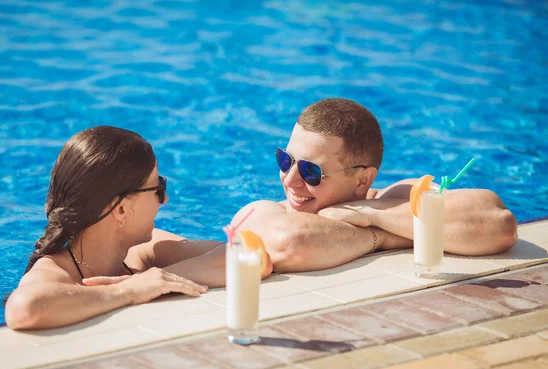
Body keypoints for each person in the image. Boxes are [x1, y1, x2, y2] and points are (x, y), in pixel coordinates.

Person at [108, 98, 518, 279]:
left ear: (363, 180)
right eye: (285, 160)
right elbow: (292, 242)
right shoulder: (266, 213)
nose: (289, 180)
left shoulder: (387, 199)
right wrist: (389, 236)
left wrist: (367, 214)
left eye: (310, 170)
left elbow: (497, 222)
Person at [5, 126, 267, 330]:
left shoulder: (144, 253)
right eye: (158, 188)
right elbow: (25, 308)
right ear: (120, 209)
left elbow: (254, 258)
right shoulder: (56, 271)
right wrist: (129, 291)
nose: (165, 199)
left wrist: (159, 277)